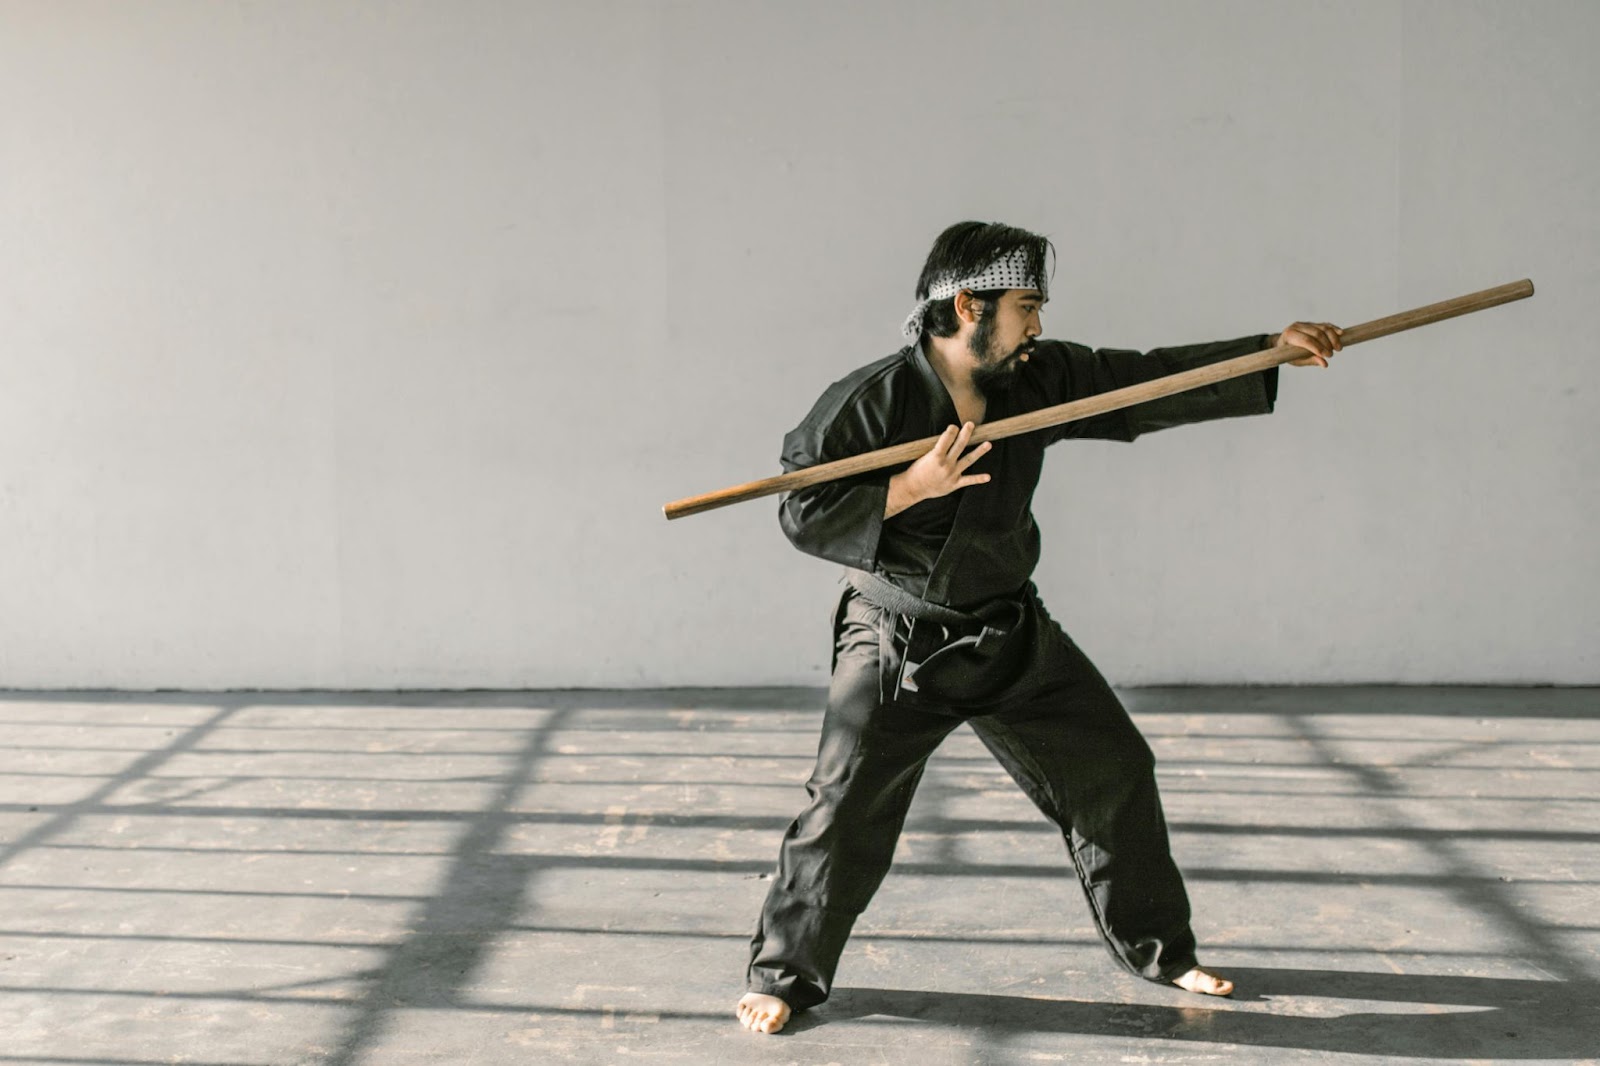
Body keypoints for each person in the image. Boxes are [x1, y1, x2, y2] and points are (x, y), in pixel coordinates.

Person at [736, 221, 1342, 1035]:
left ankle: (1161, 949)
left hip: (1009, 629)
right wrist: (909, 486)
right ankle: (783, 976)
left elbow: (1145, 383)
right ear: (966, 305)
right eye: (1026, 306)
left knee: (1115, 766)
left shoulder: (1040, 377)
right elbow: (802, 511)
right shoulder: (871, 399)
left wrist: (1269, 350)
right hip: (898, 640)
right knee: (845, 808)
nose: (1038, 326)